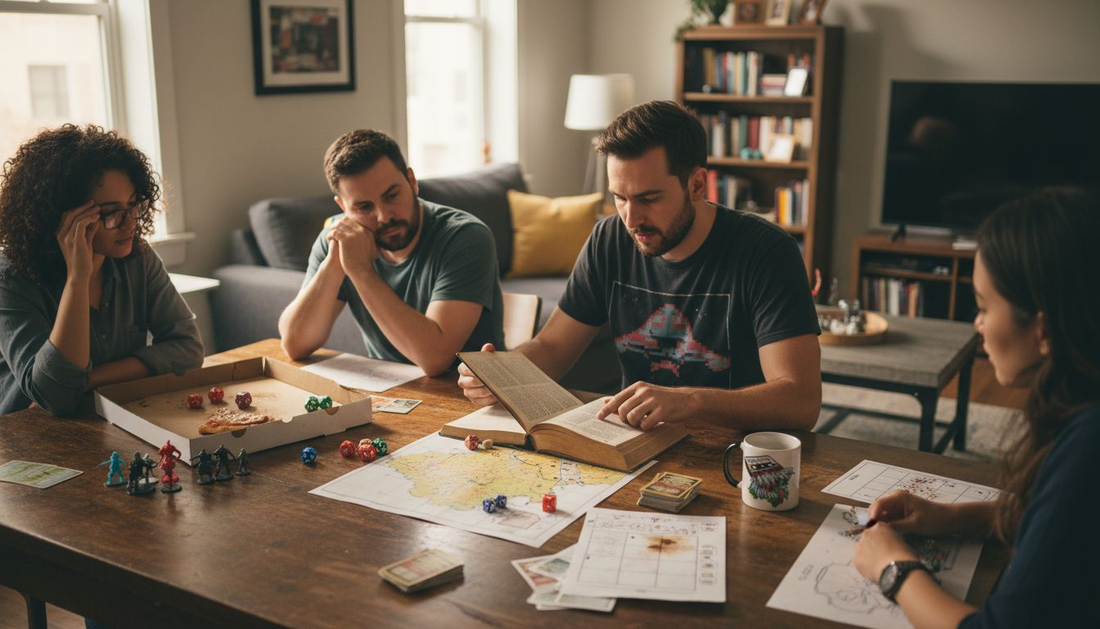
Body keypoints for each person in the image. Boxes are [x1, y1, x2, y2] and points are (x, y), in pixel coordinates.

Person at [459, 101, 821, 431]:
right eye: (620, 198)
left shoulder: (767, 252)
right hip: (634, 444)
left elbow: (800, 402)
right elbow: (553, 348)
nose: (632, 219)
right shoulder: (610, 238)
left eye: (649, 198)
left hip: (736, 452)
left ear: (696, 184)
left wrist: (690, 401)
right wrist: (501, 374)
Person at [853, 188, 1100, 628]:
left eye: (985, 307)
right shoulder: (1081, 409)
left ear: (1042, 327)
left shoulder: (1087, 445)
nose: (977, 323)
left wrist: (894, 569)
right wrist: (950, 516)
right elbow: (1058, 523)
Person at [0, 125, 203, 416]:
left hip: (110, 421)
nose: (130, 223)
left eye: (133, 205)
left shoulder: (138, 257)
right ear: (62, 217)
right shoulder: (11, 279)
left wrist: (88, 380)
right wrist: (77, 279)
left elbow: (188, 349)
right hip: (30, 441)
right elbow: (55, 397)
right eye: (111, 212)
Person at [278, 129, 504, 376]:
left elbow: (435, 359)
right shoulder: (340, 240)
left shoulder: (465, 236)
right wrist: (334, 263)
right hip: (390, 394)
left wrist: (360, 271)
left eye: (391, 196)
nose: (384, 216)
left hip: (470, 397)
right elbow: (295, 345)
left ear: (412, 181)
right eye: (364, 207)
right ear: (343, 207)